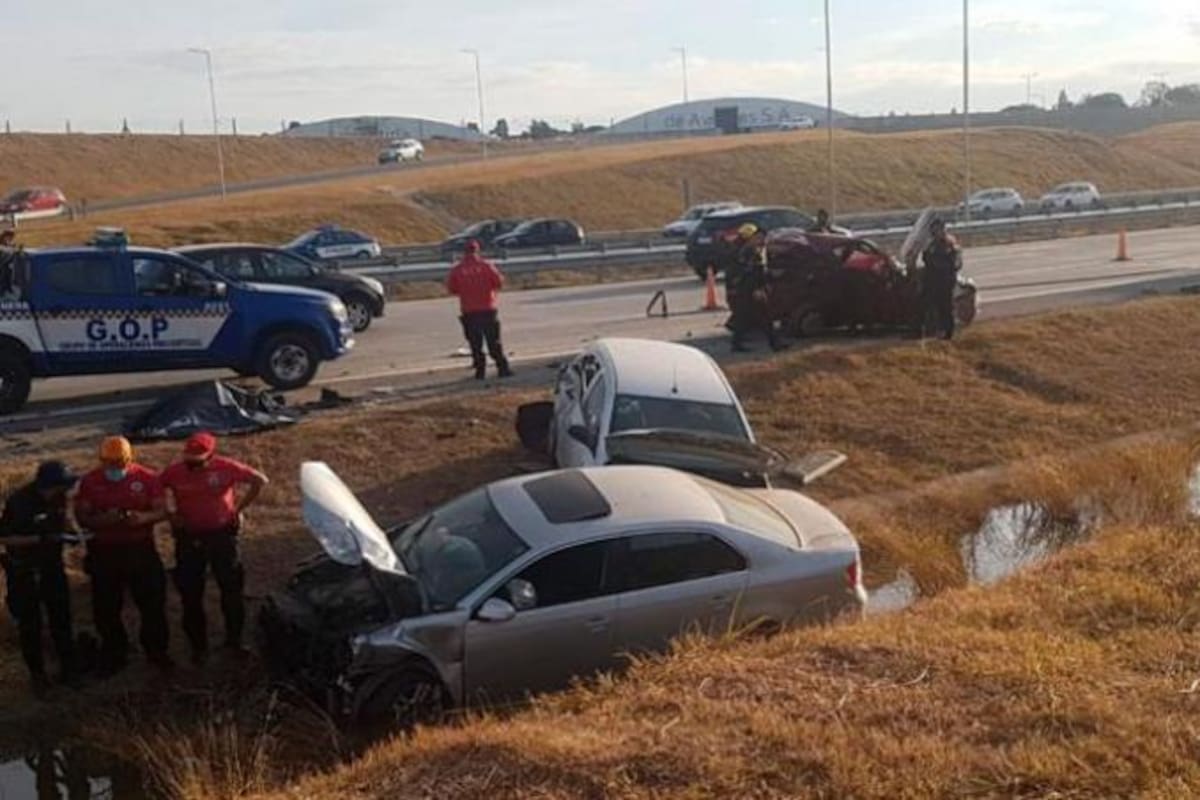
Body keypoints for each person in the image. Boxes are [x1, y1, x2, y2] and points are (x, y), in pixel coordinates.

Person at [160, 432, 267, 664]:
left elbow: (259, 480)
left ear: (211, 456)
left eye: (198, 461)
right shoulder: (175, 472)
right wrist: (170, 513)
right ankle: (198, 647)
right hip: (190, 538)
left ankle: (234, 641)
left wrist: (238, 510)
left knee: (231, 589)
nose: (193, 465)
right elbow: (157, 490)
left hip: (221, 536)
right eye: (189, 460)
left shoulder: (226, 467)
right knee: (190, 594)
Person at [73, 436, 171, 674]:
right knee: (106, 606)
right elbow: (82, 516)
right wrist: (103, 520)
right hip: (104, 551)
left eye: (119, 463)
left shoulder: (147, 478)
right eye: (109, 463)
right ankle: (115, 651)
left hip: (140, 548)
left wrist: (143, 518)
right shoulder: (90, 481)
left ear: (129, 459)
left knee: (152, 603)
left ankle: (156, 651)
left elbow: (162, 510)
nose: (114, 468)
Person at [0, 462, 81, 696]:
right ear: (48, 486)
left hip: (52, 568)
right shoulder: (19, 502)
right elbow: (5, 539)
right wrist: (38, 540)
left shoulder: (60, 498)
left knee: (62, 619)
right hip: (24, 570)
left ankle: (69, 670)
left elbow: (65, 520)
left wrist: (72, 533)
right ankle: (38, 676)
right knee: (30, 626)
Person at [446, 239, 512, 380]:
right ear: (477, 250)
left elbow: (452, 289)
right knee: (494, 341)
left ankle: (480, 371)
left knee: (475, 344)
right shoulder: (487, 266)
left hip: (469, 311)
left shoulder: (457, 270)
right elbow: (499, 283)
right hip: (488, 309)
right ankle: (502, 368)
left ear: (464, 252)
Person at [727, 225, 782, 353]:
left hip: (749, 290)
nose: (763, 241)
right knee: (763, 317)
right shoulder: (749, 252)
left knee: (748, 317)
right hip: (749, 291)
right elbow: (750, 273)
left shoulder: (752, 251)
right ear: (755, 237)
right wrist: (756, 289)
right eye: (761, 238)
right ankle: (774, 344)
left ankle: (738, 344)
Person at [920, 218, 963, 340]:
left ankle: (948, 332)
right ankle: (933, 328)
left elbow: (953, 263)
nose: (935, 231)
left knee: (945, 306)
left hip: (944, 280)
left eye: (937, 229)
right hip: (933, 279)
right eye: (933, 229)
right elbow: (926, 256)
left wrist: (934, 263)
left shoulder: (948, 243)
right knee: (931, 304)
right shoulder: (932, 243)